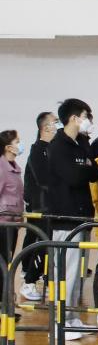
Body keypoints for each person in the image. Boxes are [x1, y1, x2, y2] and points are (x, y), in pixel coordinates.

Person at [47, 98, 98, 340]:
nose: (88, 121)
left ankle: (72, 317)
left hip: (82, 216)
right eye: (85, 117)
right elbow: (73, 176)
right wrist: (85, 167)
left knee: (78, 272)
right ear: (74, 118)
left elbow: (94, 173)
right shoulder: (58, 146)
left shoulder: (81, 143)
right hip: (65, 217)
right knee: (65, 272)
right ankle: (60, 322)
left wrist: (86, 166)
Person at [21, 111, 57, 301]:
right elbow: (43, 180)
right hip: (41, 208)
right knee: (40, 245)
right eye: (55, 122)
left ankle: (49, 280)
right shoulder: (37, 150)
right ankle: (29, 282)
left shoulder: (53, 149)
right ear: (45, 127)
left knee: (50, 247)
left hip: (52, 208)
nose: (58, 125)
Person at [0, 130, 25, 306]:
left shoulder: (14, 168)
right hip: (2, 224)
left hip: (13, 224)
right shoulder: (2, 169)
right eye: (17, 142)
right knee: (2, 265)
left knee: (8, 263)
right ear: (8, 147)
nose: (19, 145)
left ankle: (5, 303)